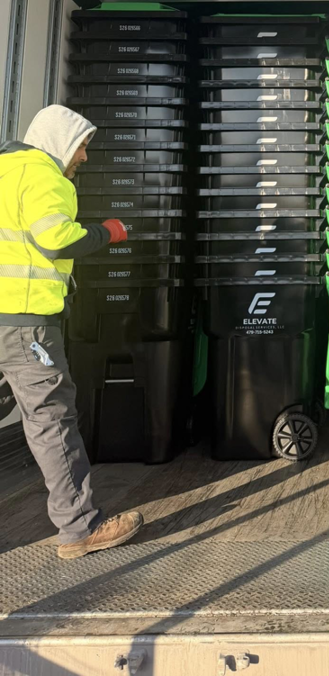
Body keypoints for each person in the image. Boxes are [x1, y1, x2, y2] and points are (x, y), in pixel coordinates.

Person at [0, 104, 143, 559]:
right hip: (25, 324)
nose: (84, 157)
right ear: (61, 141)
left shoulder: (4, 170)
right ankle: (80, 527)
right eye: (82, 146)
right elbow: (56, 238)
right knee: (52, 420)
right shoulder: (43, 174)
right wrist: (108, 233)